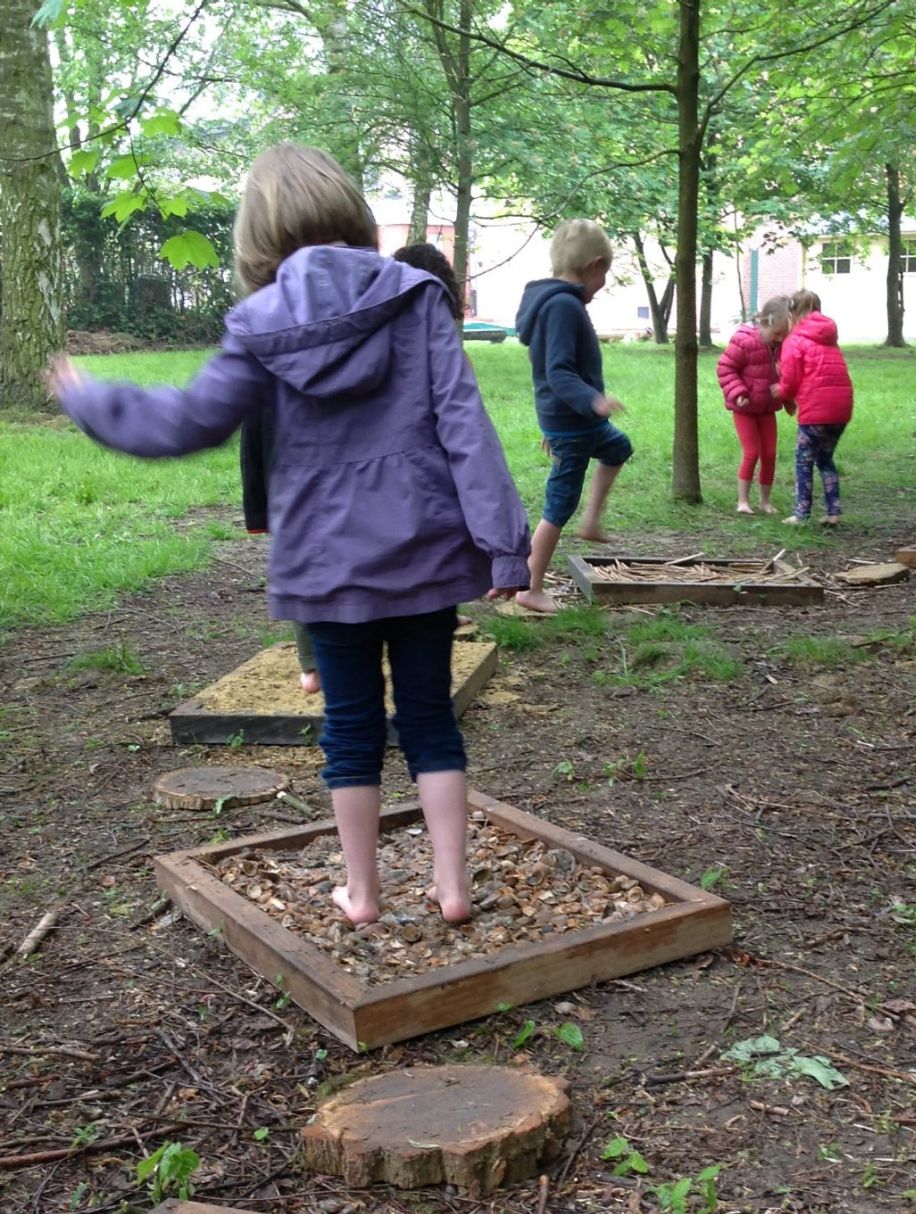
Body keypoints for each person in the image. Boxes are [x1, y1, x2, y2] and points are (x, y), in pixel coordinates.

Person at [51, 142, 531, 928]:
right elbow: (465, 428)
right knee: (429, 715)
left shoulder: (260, 323)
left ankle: (364, 893)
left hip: (328, 563)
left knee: (349, 728)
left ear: (256, 239)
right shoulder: (417, 297)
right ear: (354, 216)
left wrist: (91, 399)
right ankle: (452, 887)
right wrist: (504, 545)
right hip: (426, 551)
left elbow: (189, 420)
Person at [239, 238, 468, 697]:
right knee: (311, 569)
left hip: (349, 489)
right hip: (299, 486)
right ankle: (314, 664)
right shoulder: (276, 326)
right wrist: (260, 507)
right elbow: (254, 427)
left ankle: (343, 652)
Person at [515, 219, 632, 615]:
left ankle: (592, 522)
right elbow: (558, 371)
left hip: (572, 421)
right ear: (595, 265)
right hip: (575, 422)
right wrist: (593, 402)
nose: (602, 284)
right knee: (558, 504)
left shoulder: (554, 301)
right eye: (606, 274)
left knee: (618, 446)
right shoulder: (563, 305)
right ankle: (529, 586)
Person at [773, 290, 854, 527]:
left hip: (816, 411)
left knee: (803, 460)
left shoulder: (794, 340)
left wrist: (778, 390)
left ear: (792, 313)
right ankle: (833, 511)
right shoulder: (829, 336)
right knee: (825, 458)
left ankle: (801, 514)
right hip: (841, 409)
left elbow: (790, 382)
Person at [715, 297, 789, 514]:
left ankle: (765, 501)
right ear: (764, 323)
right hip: (745, 409)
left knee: (769, 453)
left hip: (767, 409)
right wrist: (738, 392)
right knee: (752, 452)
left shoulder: (782, 345)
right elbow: (725, 368)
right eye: (776, 334)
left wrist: (787, 394)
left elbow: (786, 372)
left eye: (784, 335)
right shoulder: (745, 341)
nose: (779, 339)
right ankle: (743, 501)